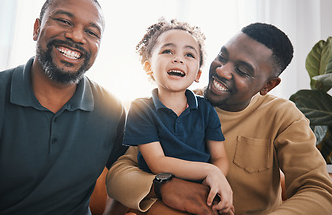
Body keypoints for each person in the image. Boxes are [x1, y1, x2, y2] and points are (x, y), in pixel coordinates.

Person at [105, 22, 332, 215]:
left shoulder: (283, 116)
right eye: (222, 56)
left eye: (242, 70)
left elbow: (318, 190)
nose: (222, 71)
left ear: (268, 85)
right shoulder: (177, 104)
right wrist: (162, 187)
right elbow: (119, 174)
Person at [0, 0, 126, 215]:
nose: (76, 36)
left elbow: (128, 177)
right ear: (37, 29)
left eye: (92, 32)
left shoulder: (112, 109)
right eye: (64, 21)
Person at [120, 18, 232, 213]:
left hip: (202, 190)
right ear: (148, 67)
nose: (178, 59)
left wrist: (214, 181)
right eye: (167, 51)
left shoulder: (206, 109)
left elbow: (219, 157)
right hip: (159, 193)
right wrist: (209, 170)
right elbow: (158, 163)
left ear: (197, 74)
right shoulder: (141, 109)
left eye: (189, 54)